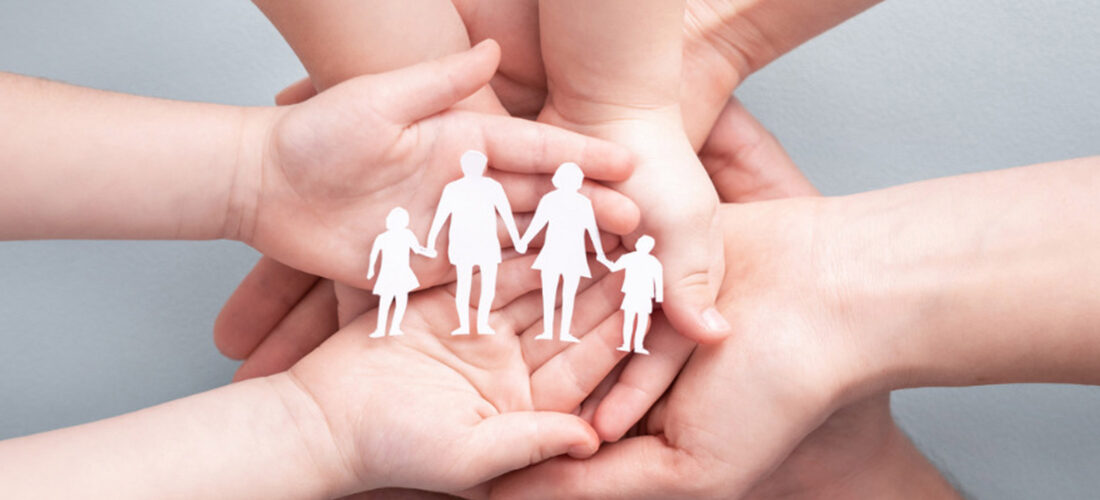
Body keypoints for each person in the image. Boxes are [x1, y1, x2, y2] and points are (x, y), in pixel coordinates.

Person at [0, 44, 638, 498]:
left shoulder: (521, 198)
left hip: (484, 261)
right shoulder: (494, 196)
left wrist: (257, 175)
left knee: (491, 293)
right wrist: (317, 435)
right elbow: (452, 221)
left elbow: (517, 215)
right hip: (451, 269)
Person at [426, 150, 526, 335]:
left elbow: (506, 214)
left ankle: (482, 324)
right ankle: (464, 325)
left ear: (482, 167)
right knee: (465, 284)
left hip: (486, 243)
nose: (474, 169)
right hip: (462, 243)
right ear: (464, 167)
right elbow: (440, 217)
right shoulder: (453, 188)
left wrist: (517, 239)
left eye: (477, 165)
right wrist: (430, 241)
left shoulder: (492, 187)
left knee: (487, 285)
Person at [519, 162, 609, 343]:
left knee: (564, 294)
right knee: (555, 293)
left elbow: (591, 229)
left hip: (570, 254)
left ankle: (561, 331)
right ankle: (550, 331)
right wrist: (524, 241)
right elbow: (538, 223)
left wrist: (600, 252)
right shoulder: (553, 200)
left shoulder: (579, 202)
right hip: (556, 251)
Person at [366, 207, 436, 338]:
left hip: (402, 271)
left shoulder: (407, 235)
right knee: (386, 301)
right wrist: (370, 270)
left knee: (400, 299)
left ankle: (395, 327)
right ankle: (381, 329)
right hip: (387, 272)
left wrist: (428, 252)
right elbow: (374, 254)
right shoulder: (382, 237)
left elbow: (417, 249)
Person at [600, 235, 664, 354]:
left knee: (640, 319)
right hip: (632, 293)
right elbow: (614, 268)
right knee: (630, 319)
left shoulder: (653, 262)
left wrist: (659, 297)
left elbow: (658, 280)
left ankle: (637, 344)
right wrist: (603, 260)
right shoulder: (630, 258)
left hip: (644, 295)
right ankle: (627, 343)